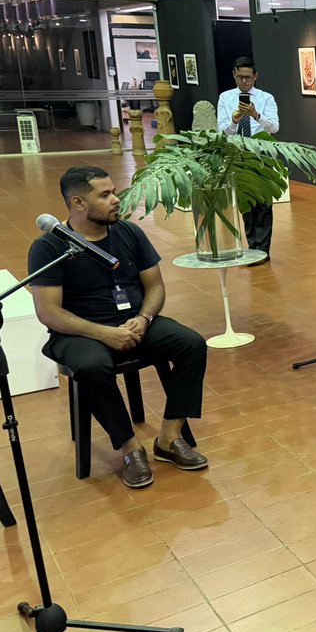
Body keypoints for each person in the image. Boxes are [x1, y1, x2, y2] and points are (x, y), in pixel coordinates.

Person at [27, 166, 209, 489]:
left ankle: (169, 438)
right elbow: (49, 312)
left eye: (114, 191)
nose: (116, 200)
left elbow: (155, 287)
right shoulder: (49, 248)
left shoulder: (129, 233)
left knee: (191, 344)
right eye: (105, 195)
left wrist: (144, 319)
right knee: (92, 365)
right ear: (78, 203)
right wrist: (104, 333)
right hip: (81, 332)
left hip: (135, 322)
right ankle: (130, 448)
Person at [216, 56, 280, 260]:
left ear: (255, 77)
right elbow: (222, 130)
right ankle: (252, 248)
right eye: (241, 77)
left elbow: (275, 127)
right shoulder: (225, 98)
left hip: (261, 155)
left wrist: (255, 114)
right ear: (234, 75)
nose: (244, 82)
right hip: (237, 155)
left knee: (263, 203)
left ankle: (263, 251)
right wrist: (234, 122)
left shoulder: (266, 98)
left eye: (249, 78)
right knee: (246, 204)